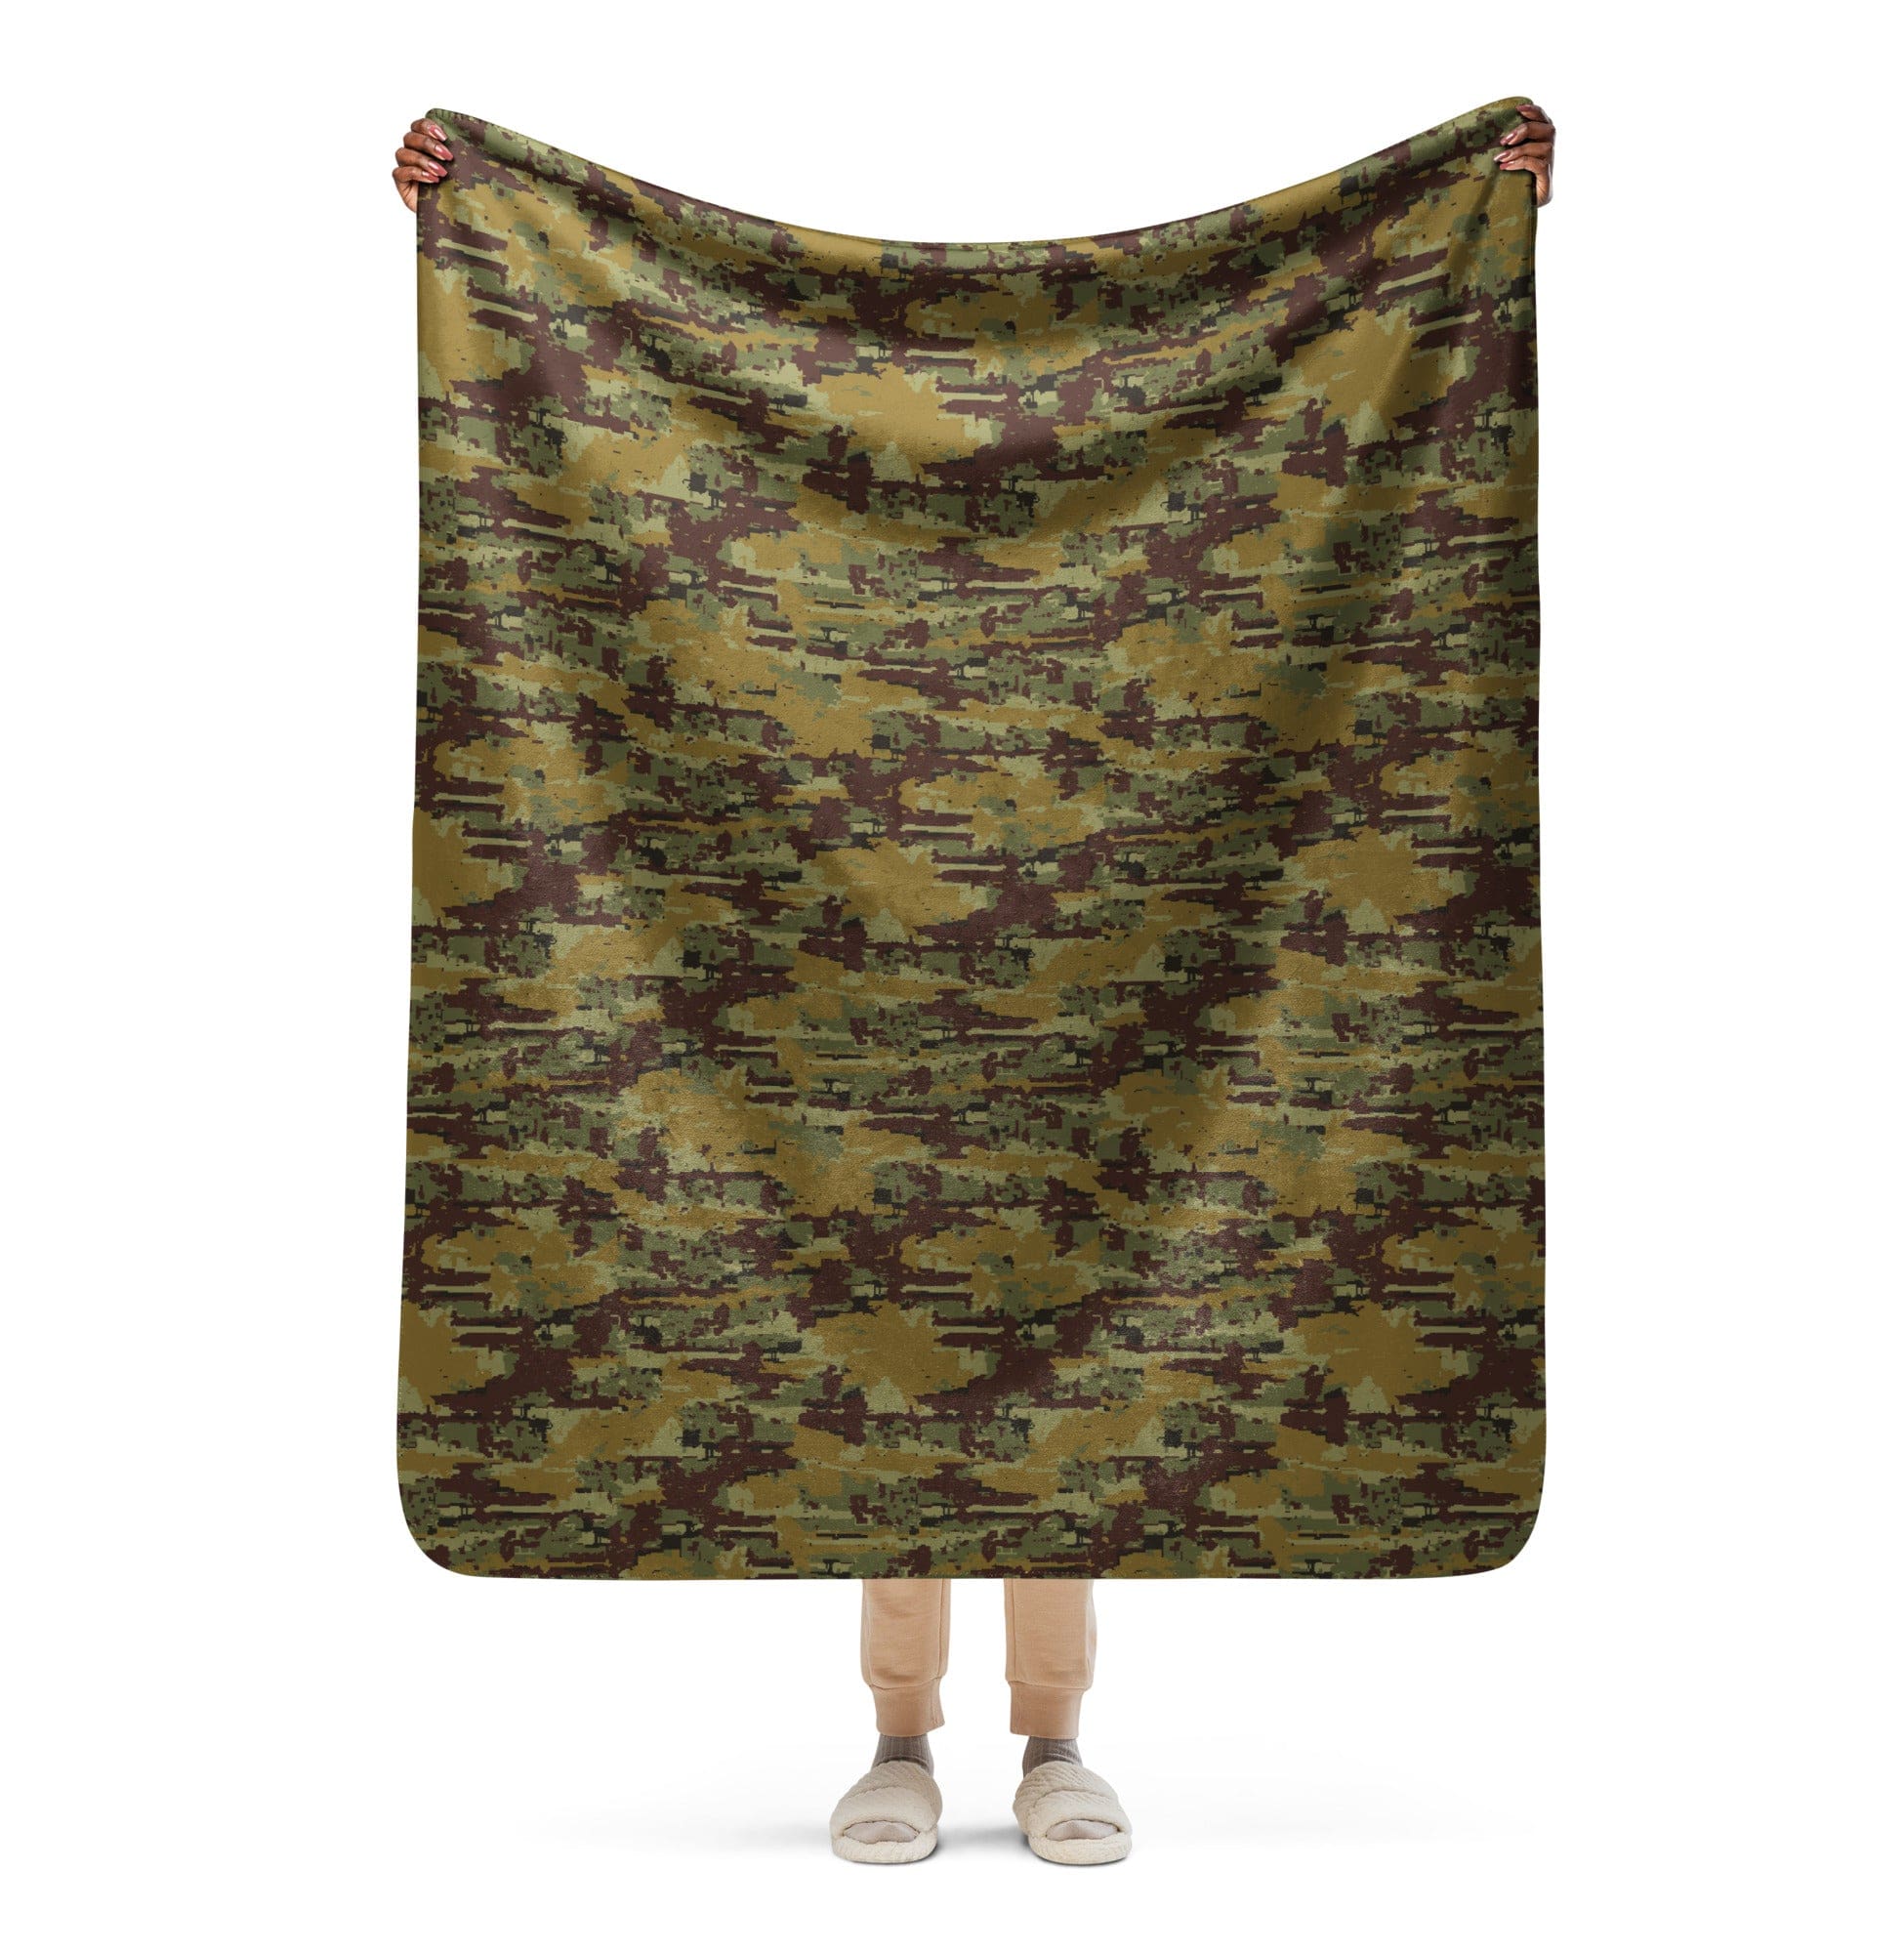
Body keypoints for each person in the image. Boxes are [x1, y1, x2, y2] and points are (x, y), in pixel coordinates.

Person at [388, 103, 1555, 1866]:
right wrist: (473, 200)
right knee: (872, 1319)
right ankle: (899, 1740)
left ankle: (1056, 1741)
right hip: (824, 1015)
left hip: (1121, 961)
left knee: (1081, 1313)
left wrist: (1479, 198)